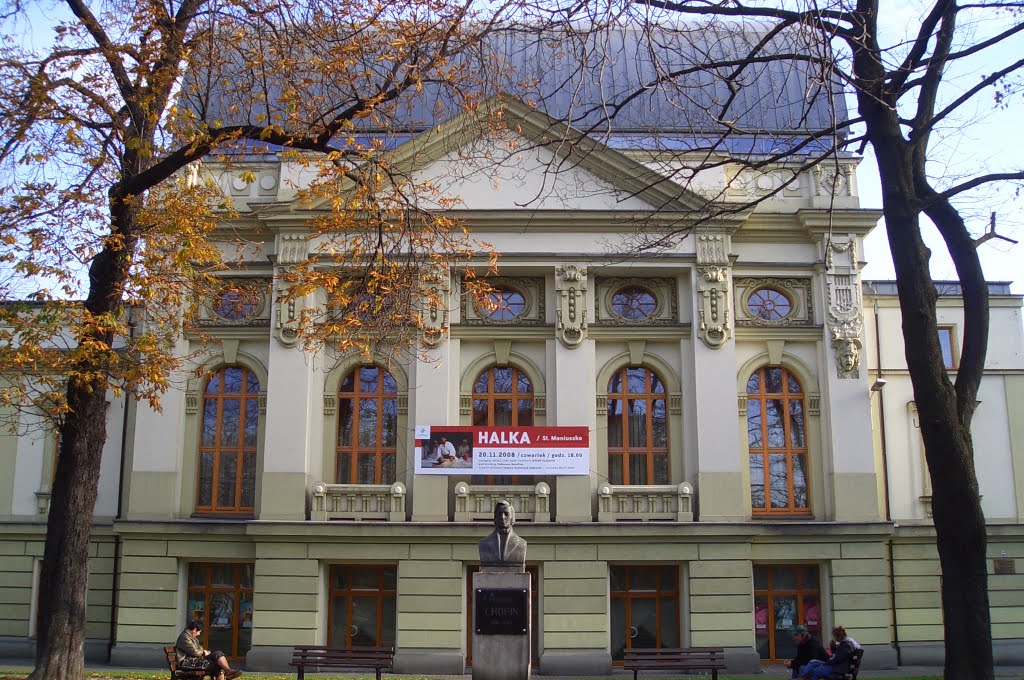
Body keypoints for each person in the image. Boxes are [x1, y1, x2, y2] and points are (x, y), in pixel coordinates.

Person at [175, 620, 242, 680]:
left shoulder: (189, 636)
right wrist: (203, 651)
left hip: (194, 660)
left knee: (218, 653)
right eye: (199, 632)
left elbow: (197, 649)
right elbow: (195, 652)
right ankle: (228, 672)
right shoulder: (185, 637)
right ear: (194, 629)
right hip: (186, 662)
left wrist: (202, 650)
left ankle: (228, 671)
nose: (199, 634)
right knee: (217, 665)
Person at [478, 500, 527, 569]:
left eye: (506, 514)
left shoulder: (521, 544)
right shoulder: (484, 543)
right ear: (495, 517)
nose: (502, 517)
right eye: (499, 514)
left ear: (512, 518)